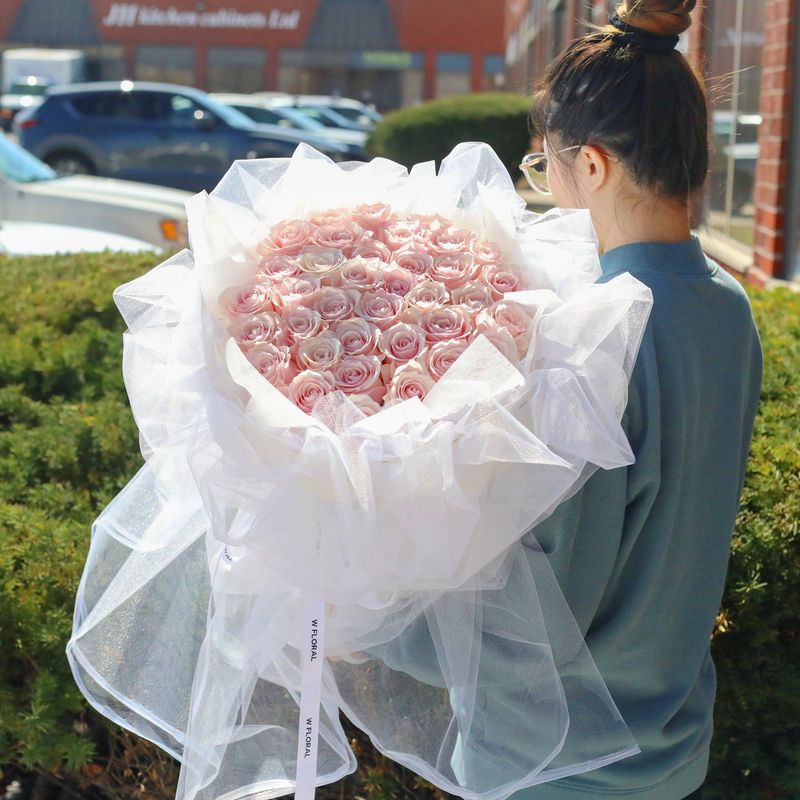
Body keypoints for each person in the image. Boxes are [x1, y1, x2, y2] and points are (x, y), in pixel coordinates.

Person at [511, 1, 762, 798]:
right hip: (673, 742)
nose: (544, 186)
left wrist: (364, 626)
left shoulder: (596, 332)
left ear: (591, 165)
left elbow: (549, 607)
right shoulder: (728, 306)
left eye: (542, 166)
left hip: (569, 765)